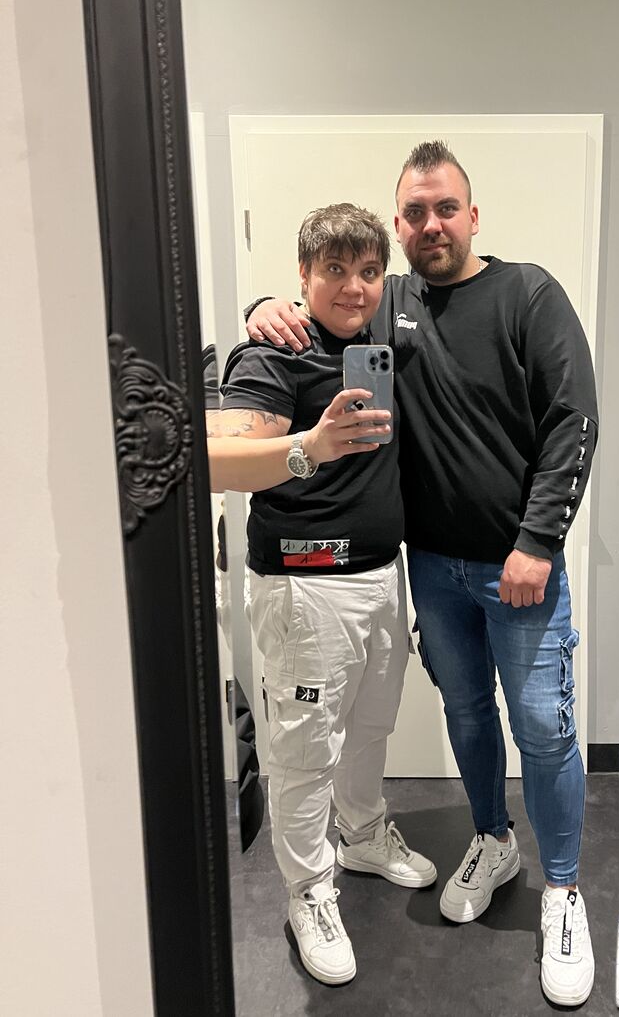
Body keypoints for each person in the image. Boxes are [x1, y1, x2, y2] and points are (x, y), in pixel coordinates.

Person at [246, 141, 599, 1007]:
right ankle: (492, 838)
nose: (430, 223)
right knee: (468, 713)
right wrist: (262, 306)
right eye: (414, 212)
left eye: (445, 208)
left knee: (543, 727)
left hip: (520, 567)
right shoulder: (390, 299)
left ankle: (563, 888)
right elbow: (324, 303)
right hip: (432, 569)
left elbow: (573, 419)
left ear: (472, 215)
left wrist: (538, 541)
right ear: (399, 225)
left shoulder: (529, 293)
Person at [206, 202, 437, 987]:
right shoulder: (275, 351)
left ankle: (363, 835)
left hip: (381, 577)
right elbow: (216, 458)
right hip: (304, 589)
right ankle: (309, 890)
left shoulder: (384, 337)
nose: (353, 286)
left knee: (370, 727)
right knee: (305, 754)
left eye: (368, 270)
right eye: (334, 269)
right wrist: (309, 447)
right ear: (303, 275)